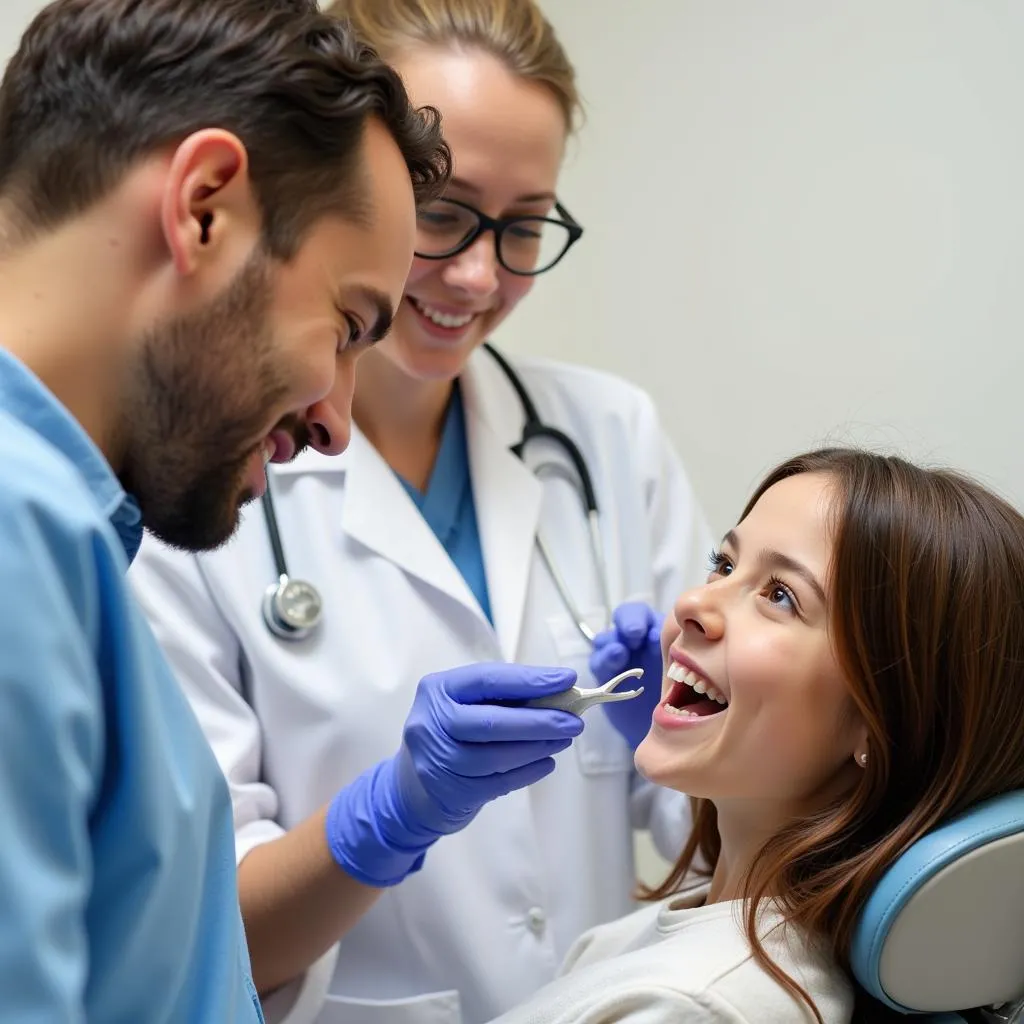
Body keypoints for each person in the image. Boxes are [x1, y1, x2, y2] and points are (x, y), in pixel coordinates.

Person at [128, 0, 714, 1020]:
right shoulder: (190, 479)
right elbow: (197, 921)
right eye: (442, 212)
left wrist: (706, 746)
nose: (481, 275)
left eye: (525, 223)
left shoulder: (608, 436)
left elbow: (708, 823)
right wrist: (389, 816)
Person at [0, 0, 457, 1018]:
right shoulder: (16, 529)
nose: (337, 422)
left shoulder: (71, 541)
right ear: (204, 206)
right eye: (346, 326)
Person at [489, 447, 1024, 1024]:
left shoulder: (696, 1005)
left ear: (883, 720)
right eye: (722, 564)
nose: (693, 603)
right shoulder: (672, 946)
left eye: (780, 596)